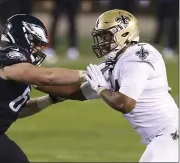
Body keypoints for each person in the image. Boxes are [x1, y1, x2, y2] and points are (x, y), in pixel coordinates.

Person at [22, 10, 179, 162]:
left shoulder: (138, 57)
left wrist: (102, 89)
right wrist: (33, 79)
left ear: (124, 34)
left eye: (106, 36)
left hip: (170, 134)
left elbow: (125, 104)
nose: (102, 41)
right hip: (161, 138)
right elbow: (74, 91)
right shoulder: (114, 62)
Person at [0, 14, 85, 163]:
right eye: (36, 43)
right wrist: (87, 73)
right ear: (23, 36)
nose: (39, 49)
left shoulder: (19, 67)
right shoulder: (10, 55)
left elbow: (15, 110)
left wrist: (50, 100)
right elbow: (48, 77)